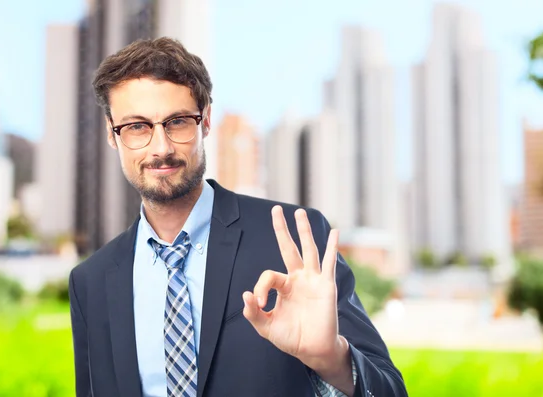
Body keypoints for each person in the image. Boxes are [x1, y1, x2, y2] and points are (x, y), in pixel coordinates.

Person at [68, 37, 408, 397]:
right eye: (137, 126)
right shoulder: (91, 282)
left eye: (178, 122)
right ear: (111, 134)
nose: (161, 147)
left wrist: (332, 359)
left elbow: (391, 391)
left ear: (206, 121)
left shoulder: (294, 239)